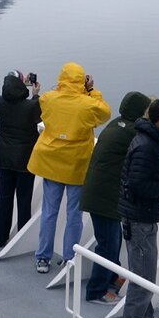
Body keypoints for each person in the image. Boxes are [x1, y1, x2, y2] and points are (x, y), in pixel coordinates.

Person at [27, 62, 110, 273]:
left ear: (62, 79)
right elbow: (105, 113)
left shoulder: (48, 99)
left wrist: (62, 89)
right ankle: (69, 259)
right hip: (77, 165)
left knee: (48, 212)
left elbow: (48, 100)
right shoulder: (88, 104)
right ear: (82, 80)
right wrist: (91, 90)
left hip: (51, 162)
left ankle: (43, 258)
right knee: (74, 215)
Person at [80, 90, 151, 303]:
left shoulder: (116, 124)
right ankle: (96, 291)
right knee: (108, 244)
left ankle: (112, 277)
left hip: (99, 192)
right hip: (106, 196)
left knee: (113, 239)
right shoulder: (132, 133)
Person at [117, 98, 159, 318]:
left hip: (138, 217)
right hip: (140, 220)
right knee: (143, 280)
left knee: (142, 275)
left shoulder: (148, 140)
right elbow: (137, 184)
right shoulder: (147, 146)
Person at [0, 70, 41, 248]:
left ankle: (0, 237)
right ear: (22, 85)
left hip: (3, 159)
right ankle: (21, 240)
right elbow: (38, 115)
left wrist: (21, 85)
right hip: (24, 161)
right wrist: (34, 95)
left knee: (4, 197)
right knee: (24, 199)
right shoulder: (30, 106)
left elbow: (10, 95)